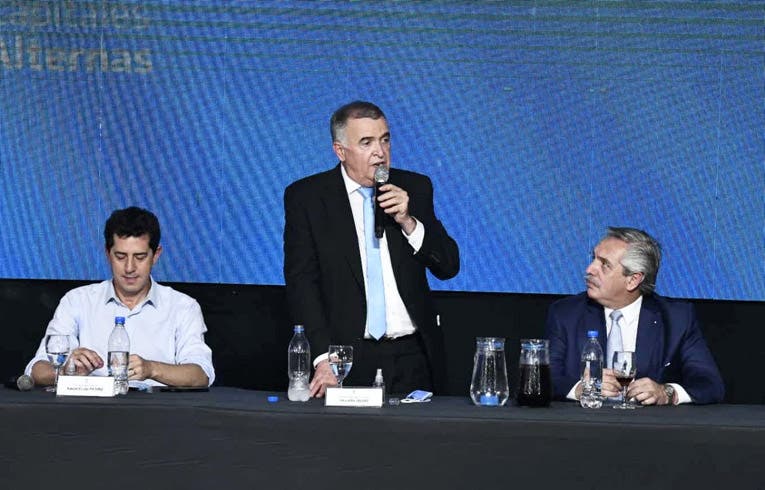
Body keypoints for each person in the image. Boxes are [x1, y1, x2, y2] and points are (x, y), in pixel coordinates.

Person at [283, 100, 459, 397]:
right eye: (366, 143)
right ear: (340, 151)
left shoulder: (414, 188)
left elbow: (449, 266)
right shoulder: (308, 197)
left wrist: (408, 221)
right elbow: (302, 284)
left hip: (413, 355)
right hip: (346, 357)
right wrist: (323, 358)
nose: (380, 152)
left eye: (385, 140)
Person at [25, 206, 214, 387]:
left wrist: (151, 369)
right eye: (121, 256)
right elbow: (36, 370)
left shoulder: (183, 307)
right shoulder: (77, 301)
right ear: (108, 254)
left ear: (156, 255)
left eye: (140, 257)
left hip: (158, 408)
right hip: (89, 407)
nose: (129, 268)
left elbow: (201, 374)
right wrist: (67, 370)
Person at [545, 227, 724, 405]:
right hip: (585, 421)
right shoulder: (566, 313)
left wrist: (667, 393)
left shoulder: (676, 319)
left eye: (605, 264)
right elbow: (546, 378)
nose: (590, 269)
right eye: (594, 259)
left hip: (648, 422)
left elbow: (710, 384)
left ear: (633, 280)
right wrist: (580, 388)